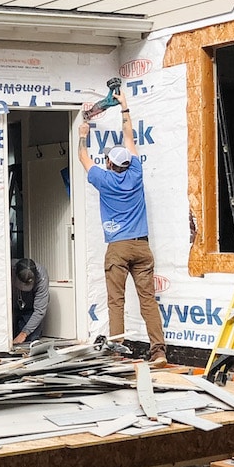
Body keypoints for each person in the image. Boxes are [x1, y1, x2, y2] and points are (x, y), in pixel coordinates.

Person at [78, 90, 167, 366]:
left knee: (116, 301)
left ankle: (117, 353)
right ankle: (159, 351)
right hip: (142, 247)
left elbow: (82, 157)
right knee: (148, 301)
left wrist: (83, 132)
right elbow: (129, 138)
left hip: (118, 248)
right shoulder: (136, 172)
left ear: (109, 164)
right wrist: (124, 106)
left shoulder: (103, 179)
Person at [11, 257, 49, 346]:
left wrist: (24, 333)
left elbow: (39, 310)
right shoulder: (7, 268)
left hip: (30, 308)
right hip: (10, 307)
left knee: (30, 339)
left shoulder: (42, 277)